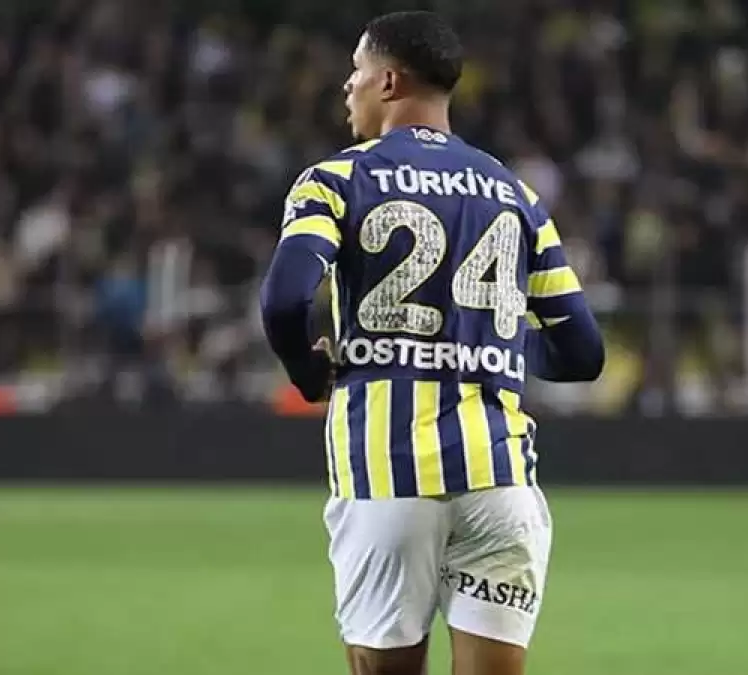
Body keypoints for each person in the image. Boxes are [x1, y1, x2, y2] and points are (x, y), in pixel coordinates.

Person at [259, 11, 604, 675]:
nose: (348, 86)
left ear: (388, 82)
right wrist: (487, 343)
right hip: (501, 481)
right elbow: (583, 353)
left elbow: (283, 299)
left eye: (357, 71)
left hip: (389, 477)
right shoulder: (516, 194)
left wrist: (306, 370)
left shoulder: (335, 179)